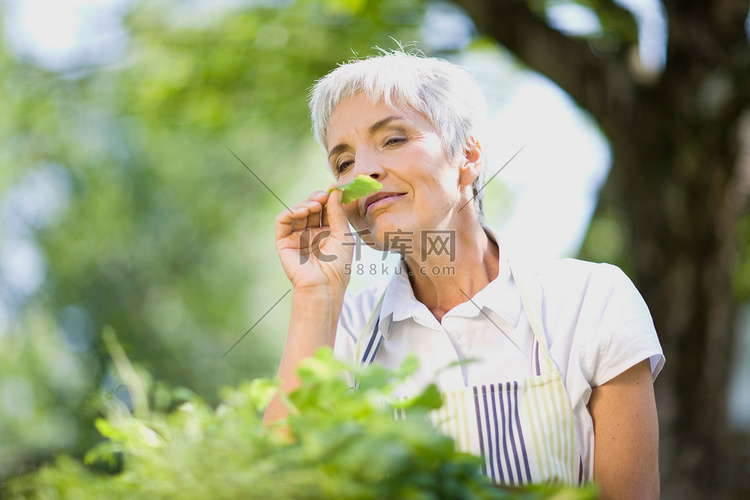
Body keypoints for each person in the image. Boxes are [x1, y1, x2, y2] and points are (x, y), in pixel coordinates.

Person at [265, 50, 664, 499]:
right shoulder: (341, 330)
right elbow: (279, 482)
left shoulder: (591, 300)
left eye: (393, 139)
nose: (365, 171)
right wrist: (315, 297)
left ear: (468, 156)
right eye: (343, 163)